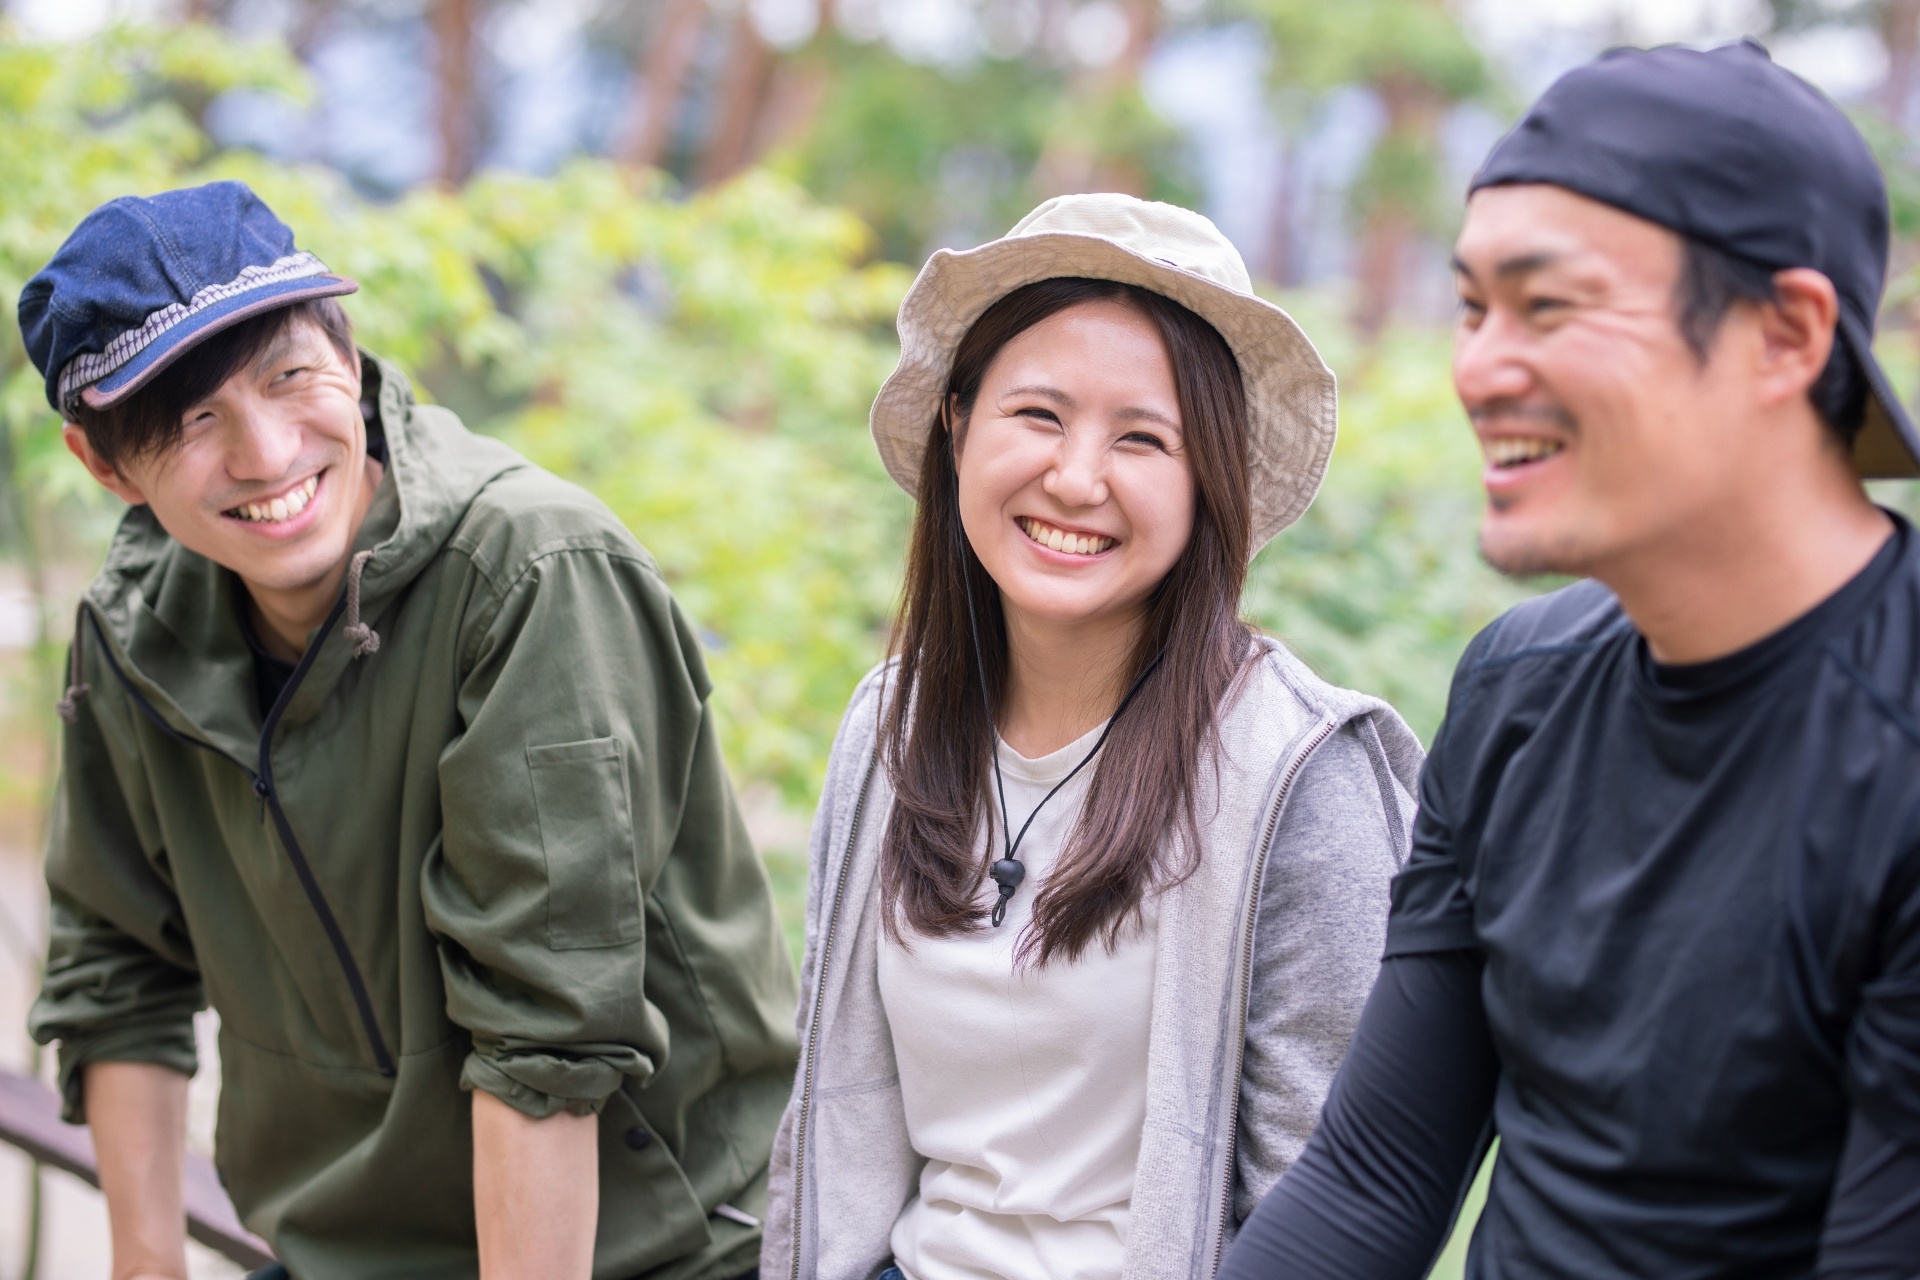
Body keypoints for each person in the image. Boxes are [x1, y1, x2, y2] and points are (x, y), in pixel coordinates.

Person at [1222, 41, 1920, 1280]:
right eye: (1474, 306)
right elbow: (1375, 1176)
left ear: (1785, 334)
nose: (1479, 369)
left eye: (1548, 304)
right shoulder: (1519, 687)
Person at [19, 181, 798, 1280]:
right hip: (341, 1250)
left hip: (660, 1246)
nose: (266, 452)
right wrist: (147, 1263)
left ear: (348, 348)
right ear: (103, 465)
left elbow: (546, 1037)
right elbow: (118, 967)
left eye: (291, 377)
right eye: (191, 419)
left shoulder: (531, 572)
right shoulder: (133, 633)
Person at [759, 193, 1424, 1280]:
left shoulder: (1300, 774)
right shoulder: (891, 724)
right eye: (1038, 415)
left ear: (1211, 481)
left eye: (1144, 437)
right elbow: (832, 1120)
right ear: (957, 425)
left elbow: (1332, 1204)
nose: (1078, 477)